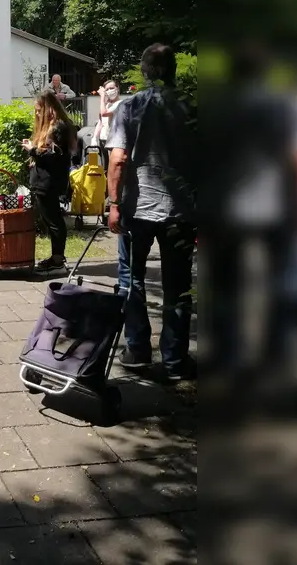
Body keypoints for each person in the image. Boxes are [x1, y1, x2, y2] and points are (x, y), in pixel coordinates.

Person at [200, 45, 297, 399]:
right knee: (283, 280)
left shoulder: (218, 108)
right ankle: (276, 354)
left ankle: (228, 355)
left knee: (225, 284)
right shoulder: (283, 105)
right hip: (276, 206)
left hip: (226, 207)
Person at [109, 44, 198, 381]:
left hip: (137, 209)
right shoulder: (191, 107)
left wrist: (114, 204)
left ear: (144, 71)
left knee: (131, 279)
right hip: (181, 211)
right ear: (174, 70)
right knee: (177, 286)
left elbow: (118, 159)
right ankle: (175, 361)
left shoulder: (129, 107)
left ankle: (138, 350)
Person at [22, 90, 80, 270]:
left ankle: (57, 259)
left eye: (39, 110)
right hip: (45, 180)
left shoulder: (59, 128)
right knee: (51, 220)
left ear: (49, 109)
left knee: (54, 220)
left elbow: (53, 157)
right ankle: (56, 257)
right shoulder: (56, 127)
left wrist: (32, 150)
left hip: (50, 182)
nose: (37, 114)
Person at [93, 79, 121, 149]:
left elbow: (104, 113)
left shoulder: (120, 104)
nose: (109, 91)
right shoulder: (107, 105)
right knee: (104, 160)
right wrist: (94, 138)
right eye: (107, 89)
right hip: (103, 139)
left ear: (117, 89)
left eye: (111, 88)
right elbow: (101, 122)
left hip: (113, 140)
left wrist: (102, 97)